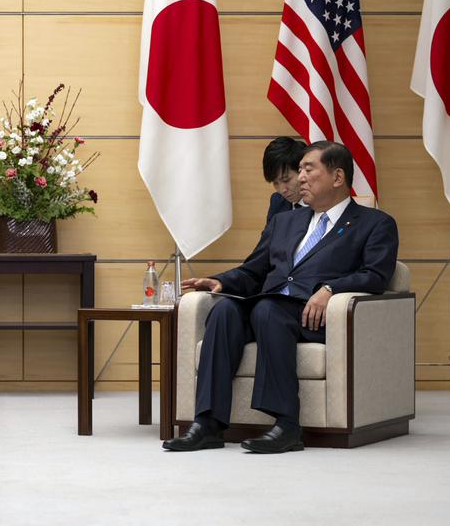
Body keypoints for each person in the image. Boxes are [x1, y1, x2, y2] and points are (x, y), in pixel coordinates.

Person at [164, 141, 398, 454]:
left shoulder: (375, 224)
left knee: (267, 310)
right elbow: (254, 271)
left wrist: (330, 289)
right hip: (271, 307)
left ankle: (287, 425)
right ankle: (208, 423)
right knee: (225, 312)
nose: (300, 177)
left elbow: (376, 274)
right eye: (299, 170)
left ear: (338, 177)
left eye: (308, 169)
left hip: (316, 316)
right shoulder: (285, 222)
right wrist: (219, 281)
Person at [262, 136, 308, 224]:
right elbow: (268, 237)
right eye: (275, 183)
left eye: (286, 180)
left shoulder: (322, 203)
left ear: (303, 171)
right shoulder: (278, 201)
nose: (282, 190)